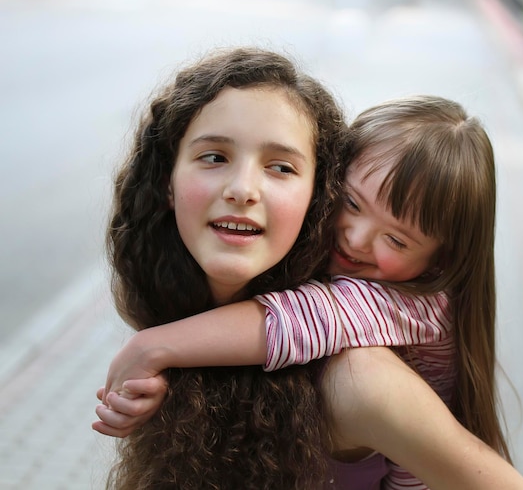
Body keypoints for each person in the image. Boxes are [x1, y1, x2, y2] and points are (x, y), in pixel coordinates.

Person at [95, 94, 523, 489]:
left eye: (397, 240)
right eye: (352, 203)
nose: (358, 239)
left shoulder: (417, 306)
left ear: (440, 260)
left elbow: (305, 318)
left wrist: (156, 347)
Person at [99, 45, 351, 490]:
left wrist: (154, 348)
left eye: (280, 167)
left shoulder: (354, 378)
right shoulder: (178, 322)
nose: (242, 189)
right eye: (214, 157)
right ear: (168, 184)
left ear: (317, 198)